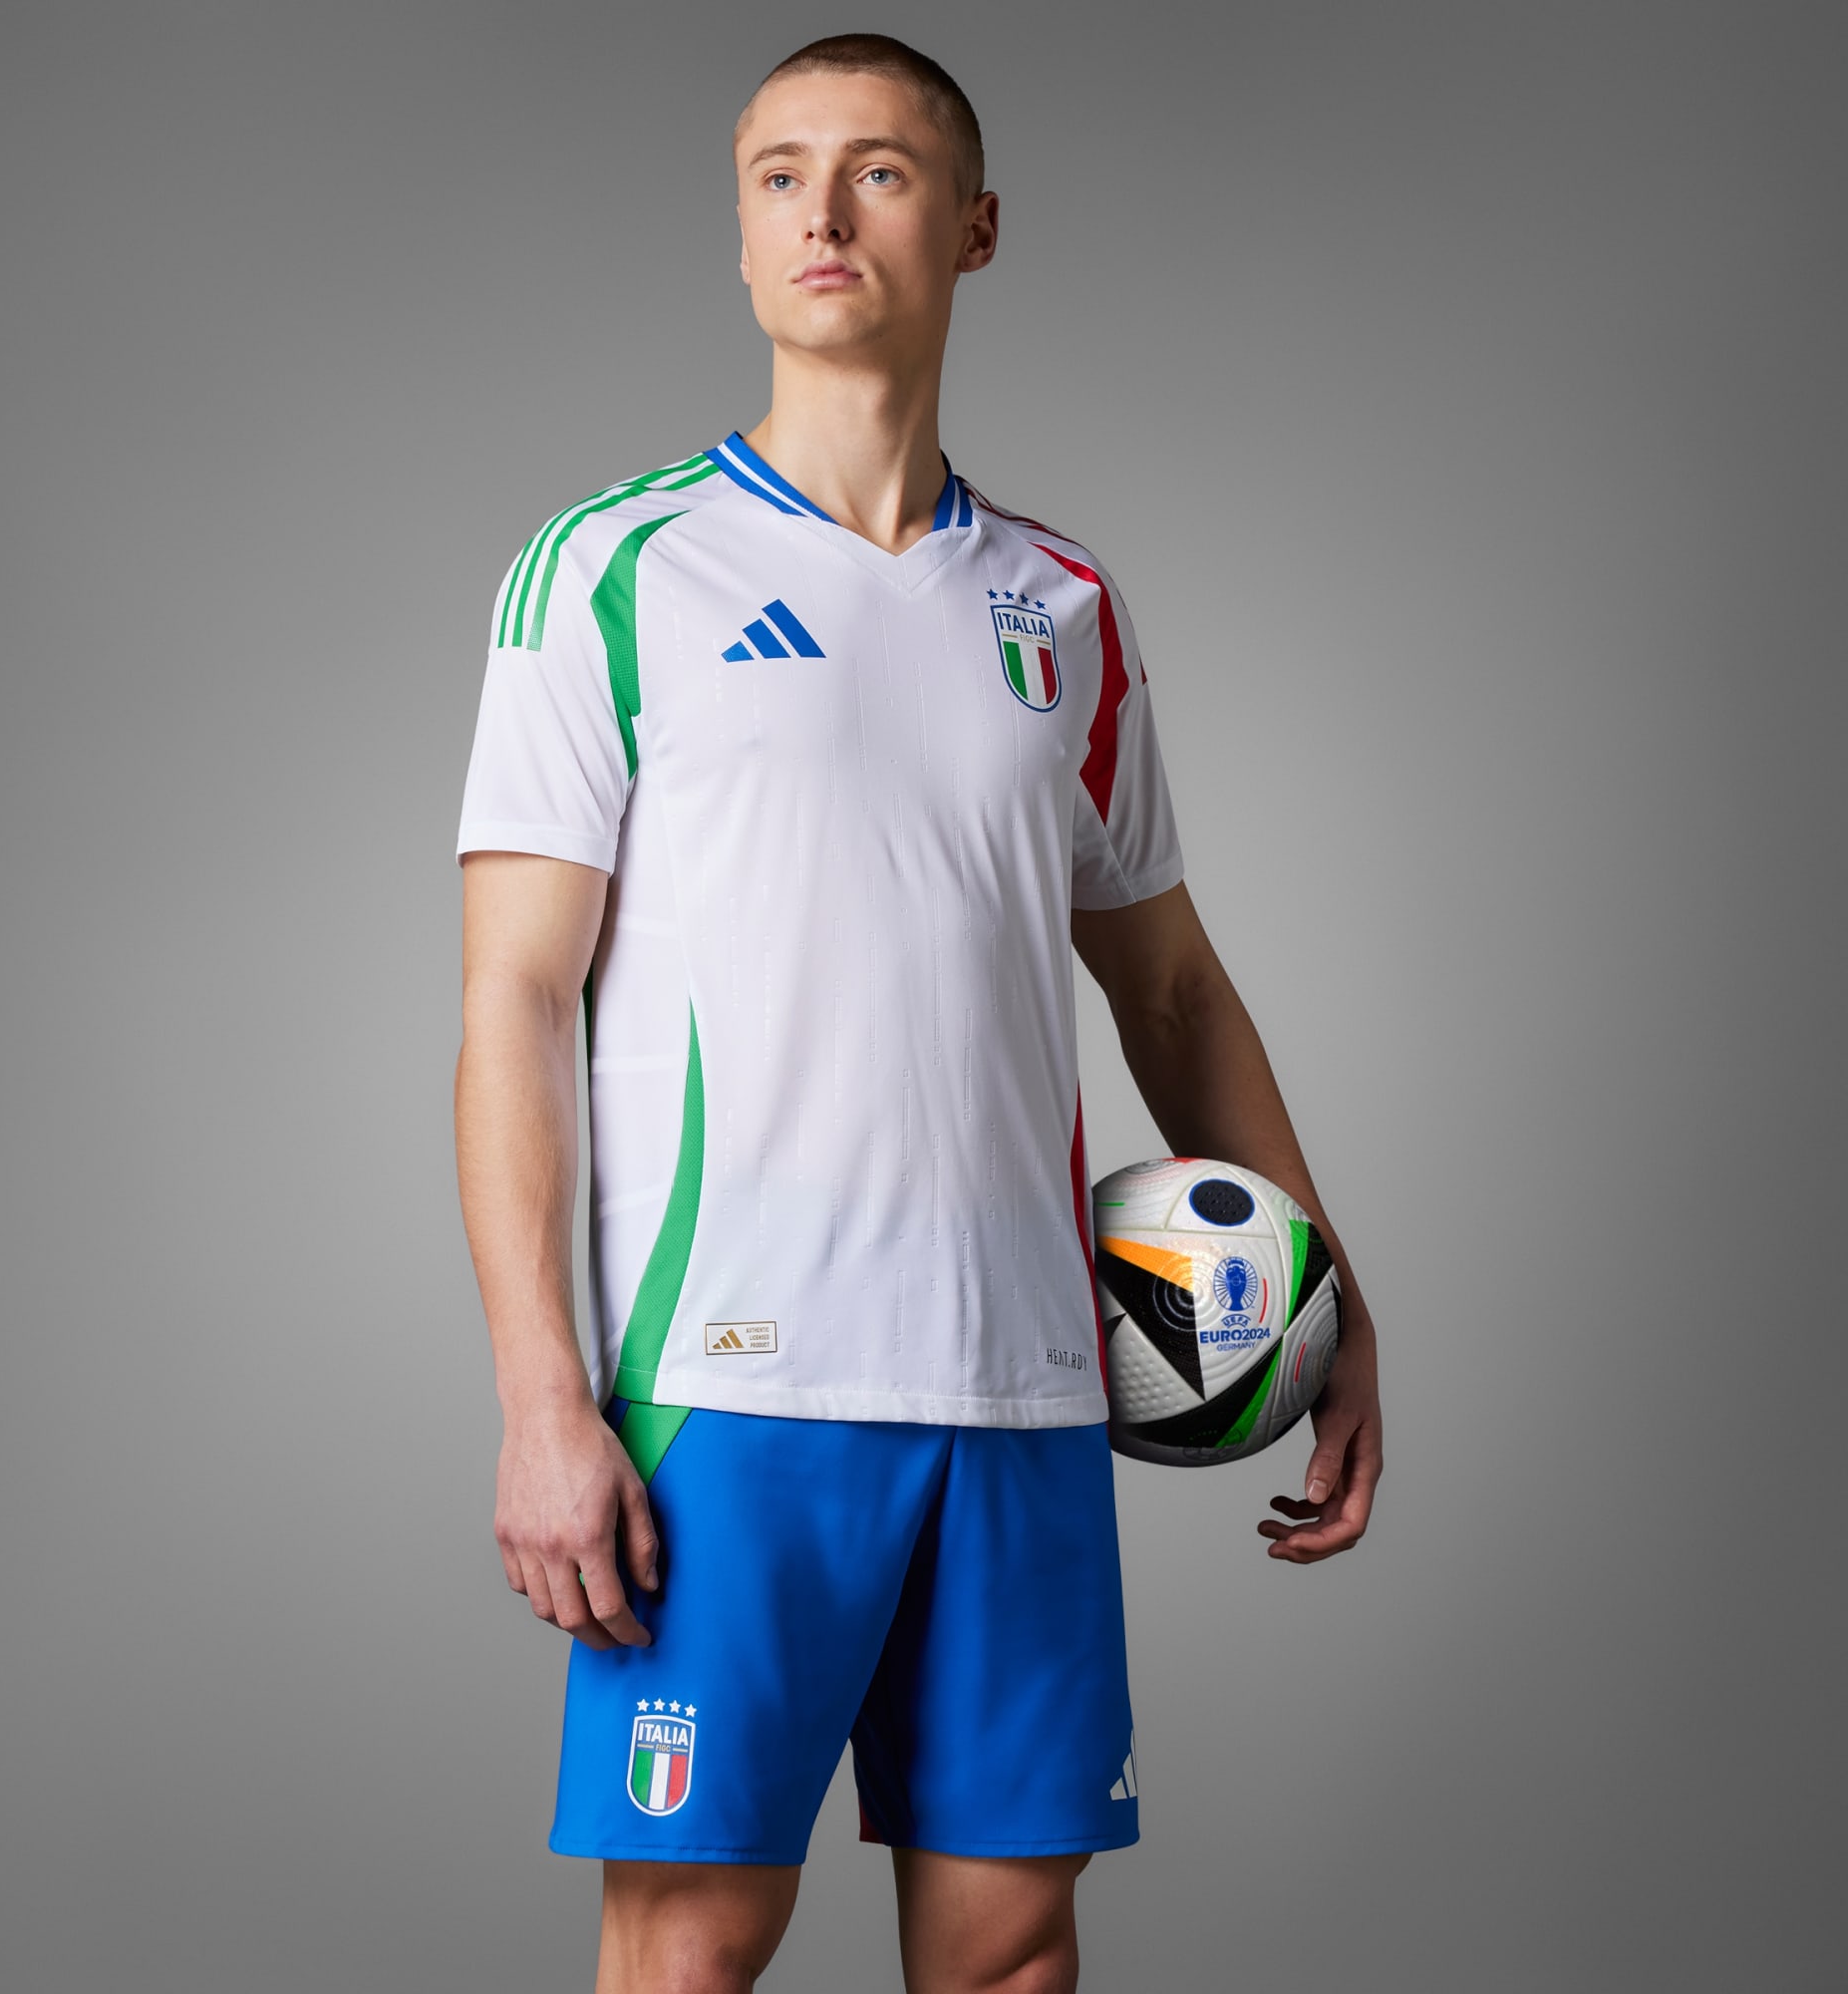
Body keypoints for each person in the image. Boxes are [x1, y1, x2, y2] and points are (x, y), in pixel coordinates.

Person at [454, 32, 1383, 1993]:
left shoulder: (1066, 605)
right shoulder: (613, 570)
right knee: (688, 1948)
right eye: (778, 172)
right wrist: (543, 1396)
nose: (822, 209)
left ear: (972, 227)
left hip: (1028, 1382)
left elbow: (1169, 981)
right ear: (738, 233)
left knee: (1011, 1951)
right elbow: (514, 998)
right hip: (729, 1387)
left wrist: (1327, 1289)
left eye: (878, 169)